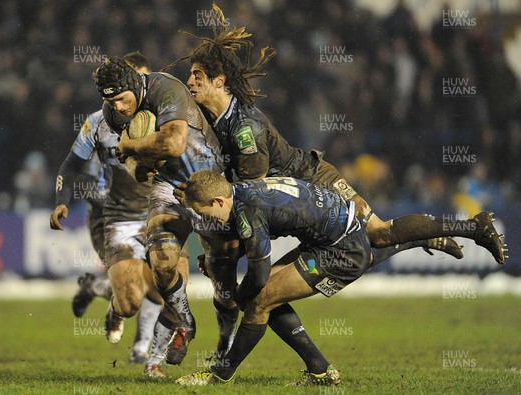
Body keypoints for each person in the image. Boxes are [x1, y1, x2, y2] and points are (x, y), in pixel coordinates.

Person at [182, 9, 506, 265]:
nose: (190, 82)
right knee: (374, 238)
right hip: (296, 195)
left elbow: (251, 195)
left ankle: (471, 227)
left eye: (197, 76)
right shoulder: (220, 119)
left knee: (378, 232)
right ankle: (424, 238)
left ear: (219, 80)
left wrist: (226, 247)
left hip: (312, 181)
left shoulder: (243, 127)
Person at [174, 170, 500, 386]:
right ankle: (319, 370)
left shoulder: (248, 211)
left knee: (260, 297)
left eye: (205, 213)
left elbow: (258, 270)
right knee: (269, 296)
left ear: (219, 201)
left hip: (340, 249)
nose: (207, 220)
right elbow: (251, 241)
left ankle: (221, 374)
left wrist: (236, 298)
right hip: (333, 234)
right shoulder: (242, 191)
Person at [92, 55, 227, 376]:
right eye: (111, 102)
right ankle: (181, 329)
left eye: (123, 99)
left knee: (225, 284)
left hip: (212, 184)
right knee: (163, 264)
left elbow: (174, 143)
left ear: (134, 86)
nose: (120, 108)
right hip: (170, 186)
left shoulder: (166, 88)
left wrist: (133, 145)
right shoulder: (113, 113)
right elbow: (137, 170)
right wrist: (134, 156)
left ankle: (225, 358)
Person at [50, 52, 167, 363]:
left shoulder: (165, 115)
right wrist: (63, 201)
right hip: (112, 215)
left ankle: (142, 350)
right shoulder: (98, 122)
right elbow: (72, 164)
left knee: (162, 284)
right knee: (132, 296)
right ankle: (105, 293)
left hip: (156, 214)